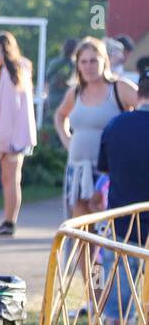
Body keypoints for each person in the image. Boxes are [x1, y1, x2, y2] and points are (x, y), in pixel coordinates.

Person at [93, 70, 149, 325]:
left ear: (139, 92)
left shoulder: (115, 125)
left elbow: (105, 171)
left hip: (122, 226)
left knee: (118, 301)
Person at [52, 37, 138, 231]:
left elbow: (144, 108)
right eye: (83, 61)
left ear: (104, 62)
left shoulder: (119, 88)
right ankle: (85, 264)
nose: (88, 66)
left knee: (106, 230)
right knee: (81, 233)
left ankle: (102, 263)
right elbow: (60, 115)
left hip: (108, 172)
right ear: (78, 65)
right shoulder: (75, 92)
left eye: (93, 60)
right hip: (78, 170)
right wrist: (67, 141)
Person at [0, 32, 39, 236]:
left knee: (11, 179)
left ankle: (9, 222)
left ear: (2, 49)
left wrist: (1, 142)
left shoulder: (10, 73)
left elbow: (8, 112)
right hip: (16, 136)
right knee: (9, 179)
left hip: (13, 138)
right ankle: (7, 219)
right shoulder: (12, 71)